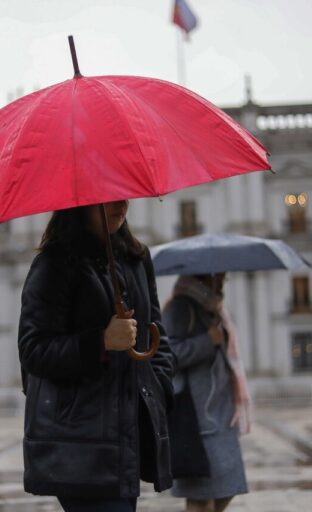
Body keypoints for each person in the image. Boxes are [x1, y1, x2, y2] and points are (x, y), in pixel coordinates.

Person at [18, 200, 176, 512]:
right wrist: (101, 342)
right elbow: (33, 349)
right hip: (80, 443)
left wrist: (160, 387)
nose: (122, 204)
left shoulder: (136, 259)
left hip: (127, 437)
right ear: (81, 203)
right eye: (109, 197)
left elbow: (158, 333)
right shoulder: (55, 263)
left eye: (124, 193)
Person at [162, 273, 251, 512]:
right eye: (218, 277)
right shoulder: (181, 307)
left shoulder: (214, 310)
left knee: (227, 487)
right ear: (203, 277)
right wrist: (207, 341)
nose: (222, 282)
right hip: (194, 420)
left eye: (224, 278)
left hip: (219, 415)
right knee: (200, 497)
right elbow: (166, 356)